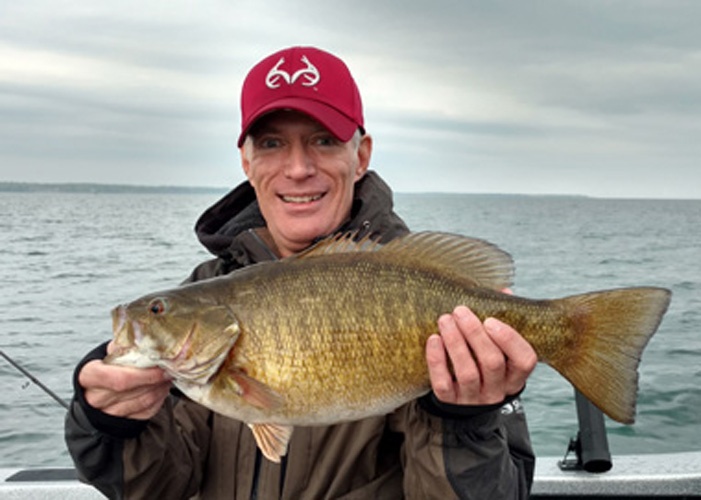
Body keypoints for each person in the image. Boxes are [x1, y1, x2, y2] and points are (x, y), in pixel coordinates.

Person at [65, 46, 537, 499]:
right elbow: (158, 488)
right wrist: (111, 425)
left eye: (324, 141)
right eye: (272, 143)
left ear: (362, 155)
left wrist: (462, 422)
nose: (297, 168)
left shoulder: (423, 286)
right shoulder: (205, 291)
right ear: (247, 162)